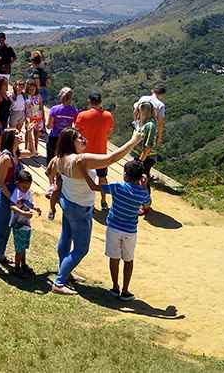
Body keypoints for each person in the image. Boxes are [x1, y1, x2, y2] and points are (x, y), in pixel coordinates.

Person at [46, 127, 142, 295]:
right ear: (71, 143)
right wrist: (133, 141)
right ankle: (59, 281)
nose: (84, 139)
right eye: (79, 138)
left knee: (66, 238)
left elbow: (49, 171)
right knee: (81, 248)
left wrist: (53, 184)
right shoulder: (81, 160)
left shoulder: (58, 159)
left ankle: (65, 273)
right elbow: (111, 158)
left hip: (67, 203)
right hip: (81, 209)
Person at [99, 160, 151, 301]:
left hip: (113, 227)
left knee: (114, 258)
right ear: (141, 177)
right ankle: (125, 290)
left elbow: (100, 188)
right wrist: (144, 185)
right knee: (128, 260)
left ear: (125, 175)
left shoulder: (117, 187)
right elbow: (147, 205)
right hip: (130, 231)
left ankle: (115, 287)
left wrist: (86, 174)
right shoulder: (142, 194)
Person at [0, 129, 23, 274]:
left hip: (9, 197)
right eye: (17, 134)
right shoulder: (6, 158)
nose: (19, 135)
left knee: (7, 228)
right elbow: (0, 183)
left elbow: (33, 152)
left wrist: (30, 132)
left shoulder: (15, 155)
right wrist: (14, 199)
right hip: (3, 198)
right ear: (10, 138)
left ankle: (0, 255)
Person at [75, 92, 115, 211]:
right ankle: (103, 200)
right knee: (102, 178)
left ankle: (85, 200)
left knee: (85, 177)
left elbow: (76, 132)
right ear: (100, 102)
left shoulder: (82, 115)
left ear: (89, 101)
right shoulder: (108, 116)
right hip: (101, 153)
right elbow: (109, 132)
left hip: (85, 153)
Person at [45, 87, 78, 215]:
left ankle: (51, 186)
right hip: (66, 140)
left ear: (60, 97)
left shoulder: (54, 109)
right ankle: (60, 186)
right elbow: (75, 126)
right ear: (71, 98)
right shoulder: (74, 111)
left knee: (52, 162)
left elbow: (49, 125)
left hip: (53, 138)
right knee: (63, 163)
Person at [9, 170, 40, 277]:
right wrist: (23, 212)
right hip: (18, 224)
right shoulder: (16, 193)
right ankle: (17, 269)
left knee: (23, 247)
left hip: (26, 224)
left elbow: (28, 204)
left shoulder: (28, 192)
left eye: (28, 187)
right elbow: (12, 205)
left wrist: (35, 208)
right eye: (24, 187)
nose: (26, 189)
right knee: (19, 248)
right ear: (18, 183)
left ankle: (23, 265)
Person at [132, 101, 157, 213]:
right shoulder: (144, 122)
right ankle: (141, 202)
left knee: (143, 179)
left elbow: (148, 146)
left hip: (146, 157)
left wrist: (140, 161)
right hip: (141, 156)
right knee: (139, 179)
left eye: (138, 110)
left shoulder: (150, 125)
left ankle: (146, 205)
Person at [24, 81, 45, 157]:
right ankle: (26, 148)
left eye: (33, 89)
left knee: (36, 134)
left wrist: (43, 118)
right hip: (28, 117)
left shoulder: (39, 96)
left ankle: (35, 150)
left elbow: (41, 107)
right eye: (30, 89)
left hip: (37, 117)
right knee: (27, 133)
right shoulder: (26, 96)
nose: (32, 90)